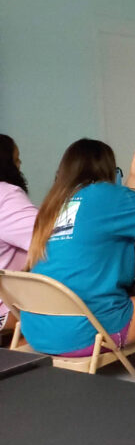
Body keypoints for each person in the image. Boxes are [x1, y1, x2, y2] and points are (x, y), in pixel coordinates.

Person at [19, 139, 135, 356]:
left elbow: (107, 218)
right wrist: (129, 187)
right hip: (80, 334)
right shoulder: (106, 194)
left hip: (37, 330)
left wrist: (134, 183)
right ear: (107, 169)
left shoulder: (53, 204)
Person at [0, 135, 37, 332]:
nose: (20, 164)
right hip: (6, 310)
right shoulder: (6, 196)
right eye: (16, 159)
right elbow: (47, 237)